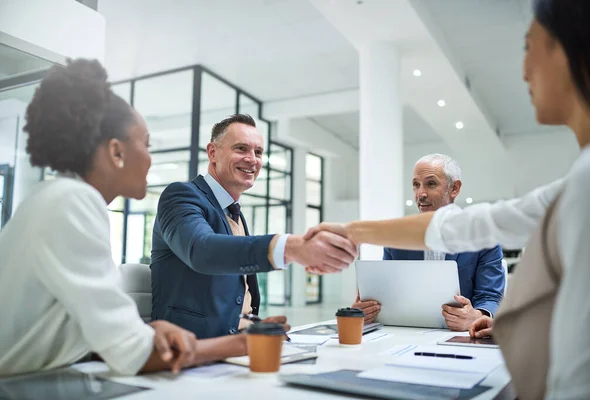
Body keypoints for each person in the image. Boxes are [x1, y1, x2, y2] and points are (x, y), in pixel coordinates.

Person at [306, 0, 590, 397]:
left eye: (530, 47)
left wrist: (483, 315)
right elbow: (476, 224)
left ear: (568, 50)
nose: (524, 70)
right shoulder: (583, 177)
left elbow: (474, 230)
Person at [0, 59, 254, 377]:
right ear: (117, 152)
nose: (150, 157)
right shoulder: (74, 203)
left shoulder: (54, 197)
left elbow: (72, 326)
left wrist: (150, 330)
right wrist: (243, 343)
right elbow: (133, 354)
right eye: (145, 144)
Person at [150, 114, 357, 339]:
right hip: (193, 346)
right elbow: (202, 250)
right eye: (241, 149)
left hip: (241, 338)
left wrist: (254, 323)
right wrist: (291, 247)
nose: (252, 159)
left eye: (258, 152)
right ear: (212, 153)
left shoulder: (233, 212)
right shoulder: (181, 195)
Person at [352, 154, 504, 331]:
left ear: (454, 188)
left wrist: (477, 316)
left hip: (458, 334)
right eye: (416, 185)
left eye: (431, 184)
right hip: (408, 333)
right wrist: (367, 309)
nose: (420, 194)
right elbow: (388, 295)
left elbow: (491, 297)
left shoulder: (483, 237)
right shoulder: (398, 238)